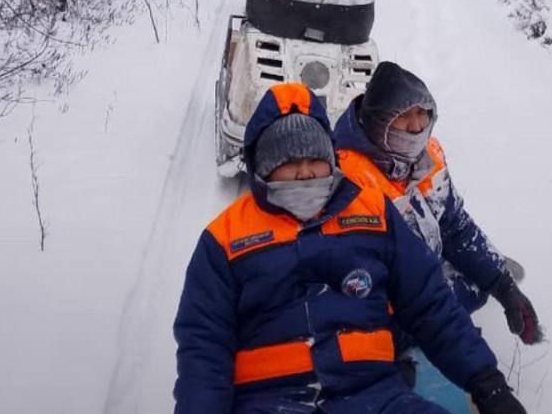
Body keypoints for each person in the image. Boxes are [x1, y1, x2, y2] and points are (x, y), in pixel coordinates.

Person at [174, 83, 527, 414]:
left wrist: (487, 383)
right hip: (270, 400)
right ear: (263, 168)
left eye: (314, 160)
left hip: (375, 397)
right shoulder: (226, 238)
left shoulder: (372, 214)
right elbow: (204, 348)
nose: (305, 173)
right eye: (289, 163)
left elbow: (429, 304)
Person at [333, 62, 544, 377]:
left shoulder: (425, 155)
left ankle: (479, 272)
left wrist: (502, 284)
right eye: (405, 116)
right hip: (387, 305)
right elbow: (352, 282)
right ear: (379, 120)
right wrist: (383, 348)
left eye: (423, 114)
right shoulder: (347, 179)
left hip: (422, 275)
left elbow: (454, 226)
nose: (417, 126)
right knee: (459, 297)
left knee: (479, 283)